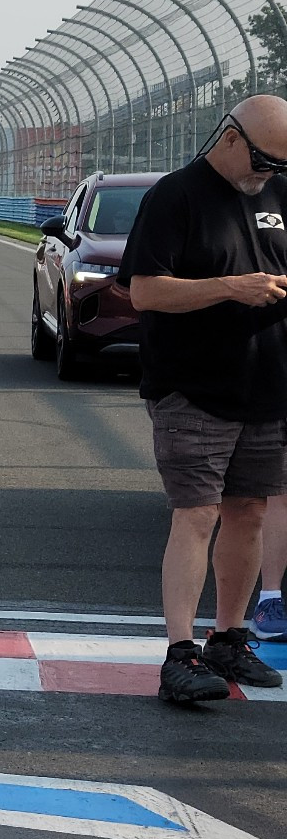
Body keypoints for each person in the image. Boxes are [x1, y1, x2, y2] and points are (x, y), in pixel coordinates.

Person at [119, 96, 287, 702]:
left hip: (267, 384)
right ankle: (180, 652)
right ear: (231, 137)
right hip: (192, 387)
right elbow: (144, 292)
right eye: (265, 160)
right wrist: (230, 288)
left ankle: (229, 637)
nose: (270, 174)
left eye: (282, 166)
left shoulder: (277, 192)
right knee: (197, 514)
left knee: (250, 512)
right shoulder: (176, 195)